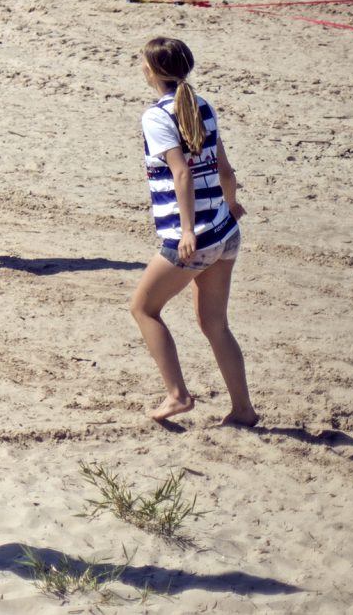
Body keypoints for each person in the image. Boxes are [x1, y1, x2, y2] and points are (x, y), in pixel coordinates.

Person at [129, 36, 256, 426]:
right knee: (215, 324)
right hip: (224, 231)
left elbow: (181, 172)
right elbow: (225, 169)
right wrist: (231, 204)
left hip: (194, 237)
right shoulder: (202, 104)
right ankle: (243, 409)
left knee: (143, 309)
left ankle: (178, 395)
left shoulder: (156, 116)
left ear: (151, 71)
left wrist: (186, 231)